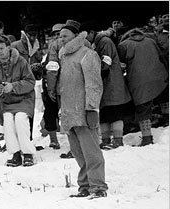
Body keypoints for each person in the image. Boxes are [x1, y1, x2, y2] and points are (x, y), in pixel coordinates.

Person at [57, 20, 107, 198]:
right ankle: (85, 186)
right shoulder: (63, 57)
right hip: (69, 112)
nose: (61, 39)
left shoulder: (87, 54)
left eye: (65, 35)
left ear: (76, 36)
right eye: (60, 36)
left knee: (91, 151)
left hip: (84, 111)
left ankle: (98, 187)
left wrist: (92, 108)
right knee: (78, 153)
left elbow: (94, 84)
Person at [0, 35, 36, 167]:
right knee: (8, 122)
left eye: (2, 48)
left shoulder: (21, 61)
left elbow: (30, 82)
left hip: (24, 99)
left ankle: (27, 154)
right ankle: (15, 154)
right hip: (7, 102)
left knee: (20, 120)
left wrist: (13, 86)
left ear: (9, 47)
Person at [118, 28, 169, 146]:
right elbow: (161, 56)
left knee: (143, 108)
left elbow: (121, 66)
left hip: (139, 81)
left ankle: (147, 137)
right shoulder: (151, 40)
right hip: (159, 75)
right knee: (163, 96)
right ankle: (166, 118)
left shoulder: (124, 45)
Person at [86, 28, 132, 149]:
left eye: (85, 35)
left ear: (91, 32)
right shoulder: (96, 43)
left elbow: (105, 64)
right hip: (104, 84)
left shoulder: (105, 42)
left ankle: (118, 140)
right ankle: (106, 140)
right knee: (105, 112)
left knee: (115, 111)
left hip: (112, 83)